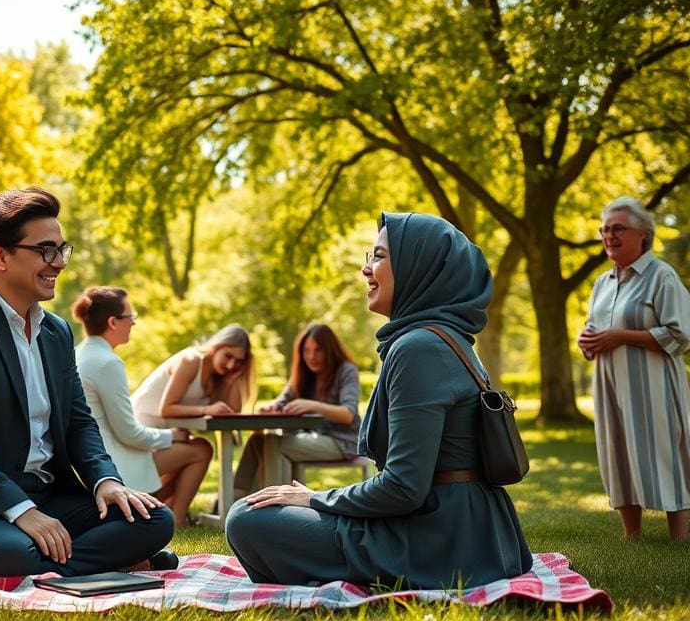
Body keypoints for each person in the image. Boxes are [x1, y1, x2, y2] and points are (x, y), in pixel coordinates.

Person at [0, 187, 174, 589]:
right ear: (0, 256)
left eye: (61, 250)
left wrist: (106, 481)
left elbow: (78, 423)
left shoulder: (56, 331)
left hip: (49, 494)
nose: (58, 263)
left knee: (155, 518)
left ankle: (61, 559)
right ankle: (104, 559)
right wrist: (21, 510)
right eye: (45, 250)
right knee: (7, 553)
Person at [226, 212, 532, 589]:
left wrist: (317, 499)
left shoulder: (418, 348)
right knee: (260, 510)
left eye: (379, 257)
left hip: (435, 540)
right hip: (468, 529)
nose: (365, 269)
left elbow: (403, 488)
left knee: (245, 517)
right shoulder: (450, 340)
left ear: (420, 266)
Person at [578, 196, 690, 542]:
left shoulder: (662, 276)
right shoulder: (602, 282)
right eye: (605, 229)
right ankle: (632, 535)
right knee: (618, 450)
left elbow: (680, 334)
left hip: (655, 386)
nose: (609, 235)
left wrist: (618, 336)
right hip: (609, 384)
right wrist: (588, 340)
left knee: (666, 451)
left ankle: (679, 537)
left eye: (618, 228)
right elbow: (596, 327)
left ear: (643, 234)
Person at [73, 286, 213, 527]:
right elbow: (129, 433)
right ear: (113, 322)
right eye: (131, 317)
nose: (134, 324)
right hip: (112, 462)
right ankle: (175, 518)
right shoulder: (107, 362)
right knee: (201, 448)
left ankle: (159, 508)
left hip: (87, 457)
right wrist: (173, 435)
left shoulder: (80, 353)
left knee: (188, 447)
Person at [233, 323, 361, 500]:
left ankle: (276, 505)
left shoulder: (346, 371)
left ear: (329, 351)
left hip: (343, 441)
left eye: (318, 350)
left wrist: (312, 405)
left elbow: (348, 414)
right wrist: (270, 408)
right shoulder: (304, 373)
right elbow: (280, 402)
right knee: (257, 441)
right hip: (311, 438)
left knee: (274, 444)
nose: (311, 357)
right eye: (306, 350)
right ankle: (235, 500)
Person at [131, 324, 255, 427]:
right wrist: (206, 410)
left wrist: (231, 381)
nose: (231, 365)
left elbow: (233, 411)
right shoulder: (191, 360)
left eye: (238, 361)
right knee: (202, 450)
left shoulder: (218, 376)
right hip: (138, 425)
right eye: (228, 356)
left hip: (163, 431)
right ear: (217, 346)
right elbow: (166, 410)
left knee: (203, 449)